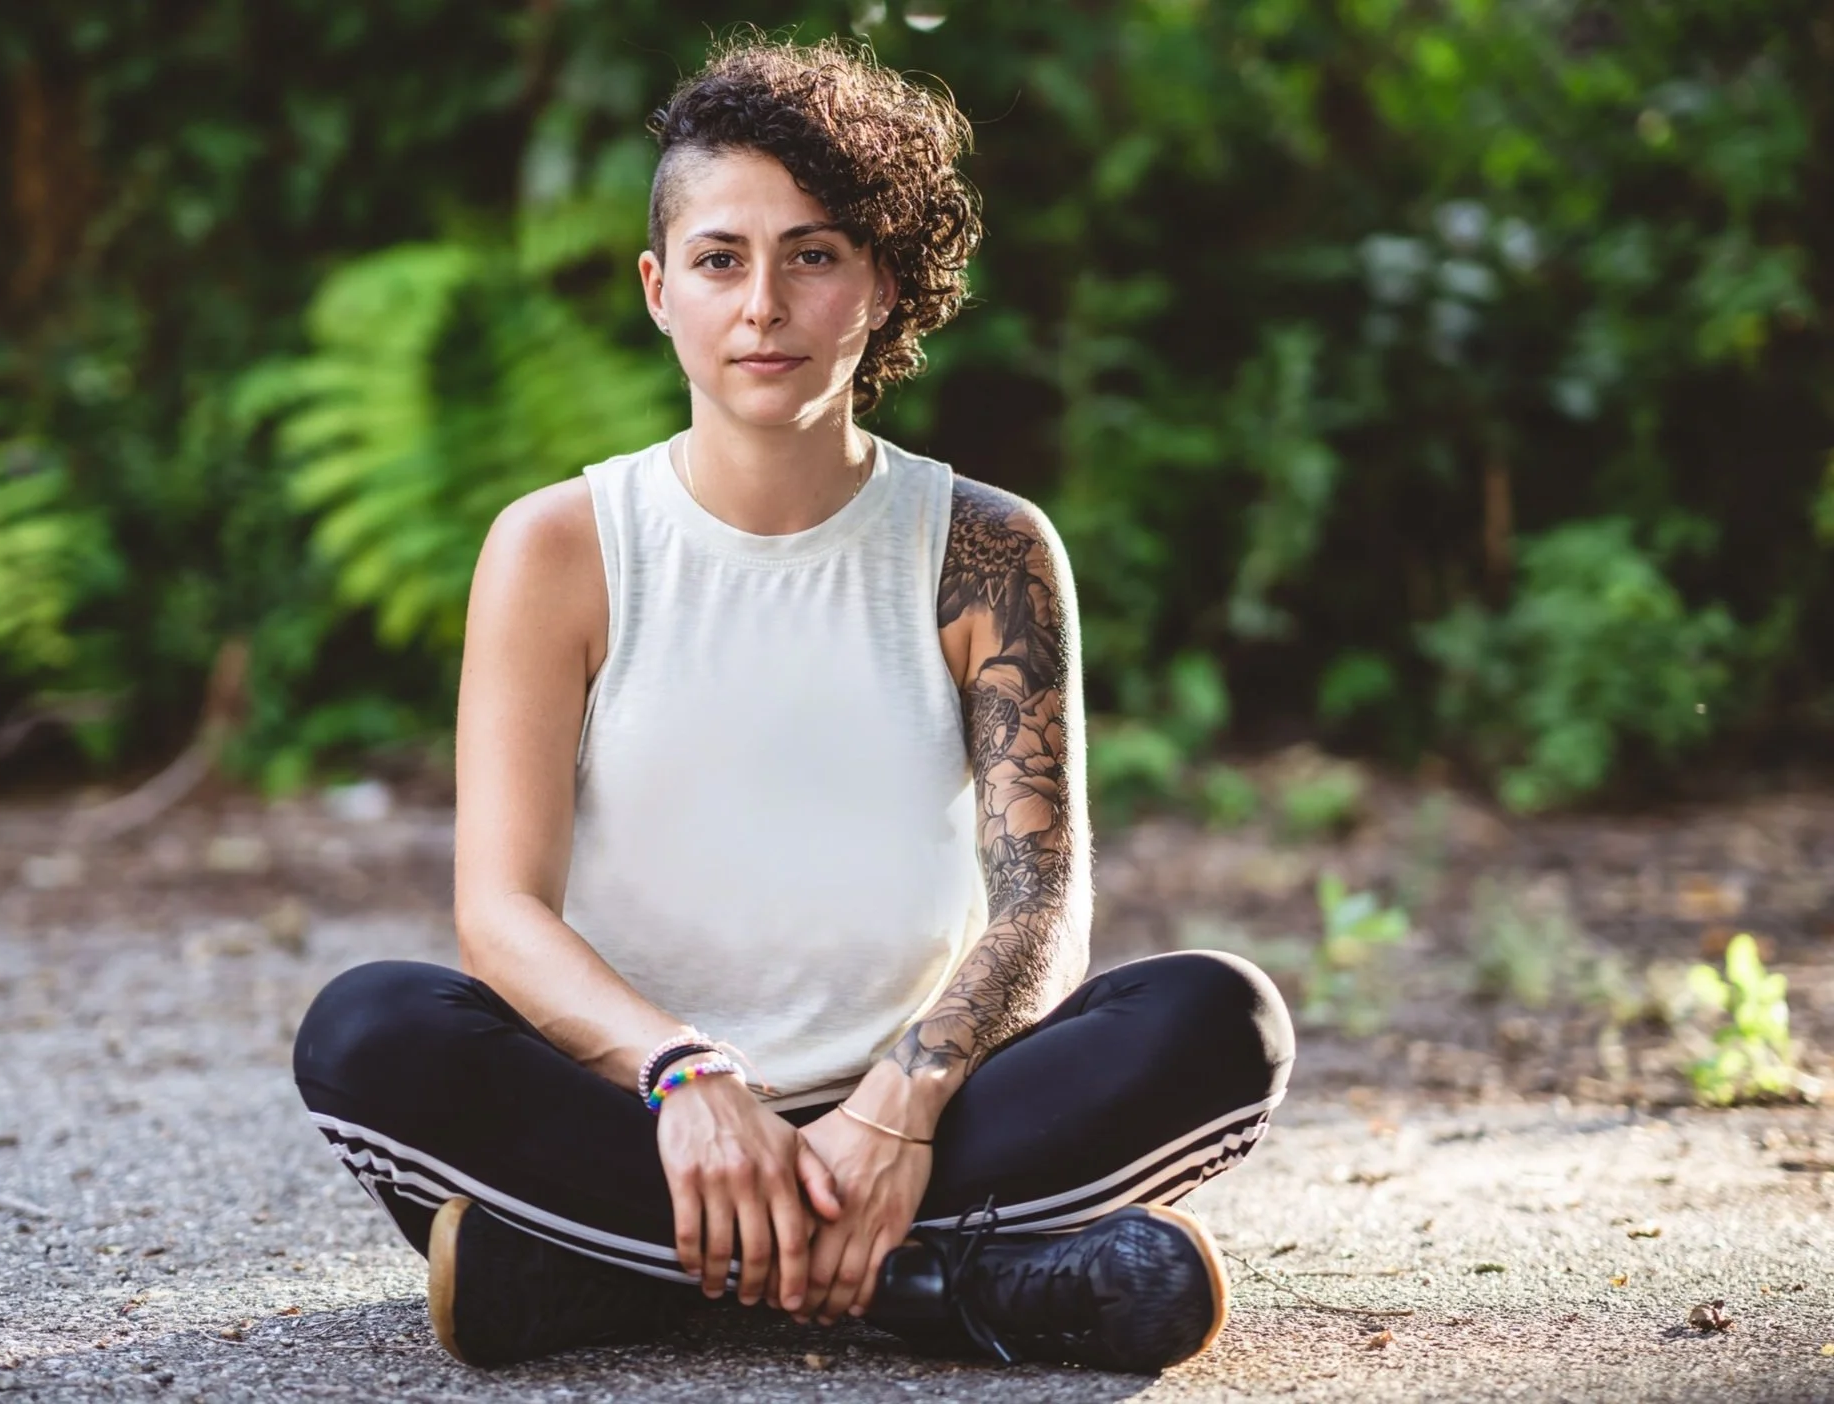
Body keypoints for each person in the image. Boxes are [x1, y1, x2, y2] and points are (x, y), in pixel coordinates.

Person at [293, 34, 1293, 1374]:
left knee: (1219, 1018)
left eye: (812, 255)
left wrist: (902, 1103)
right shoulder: (559, 547)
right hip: (640, 1113)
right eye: (720, 259)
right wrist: (687, 1078)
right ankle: (933, 1284)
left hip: (928, 1114)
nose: (762, 304)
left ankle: (611, 1272)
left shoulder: (986, 546)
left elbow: (1041, 908)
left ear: (883, 285)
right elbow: (502, 914)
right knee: (372, 1031)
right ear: (659, 290)